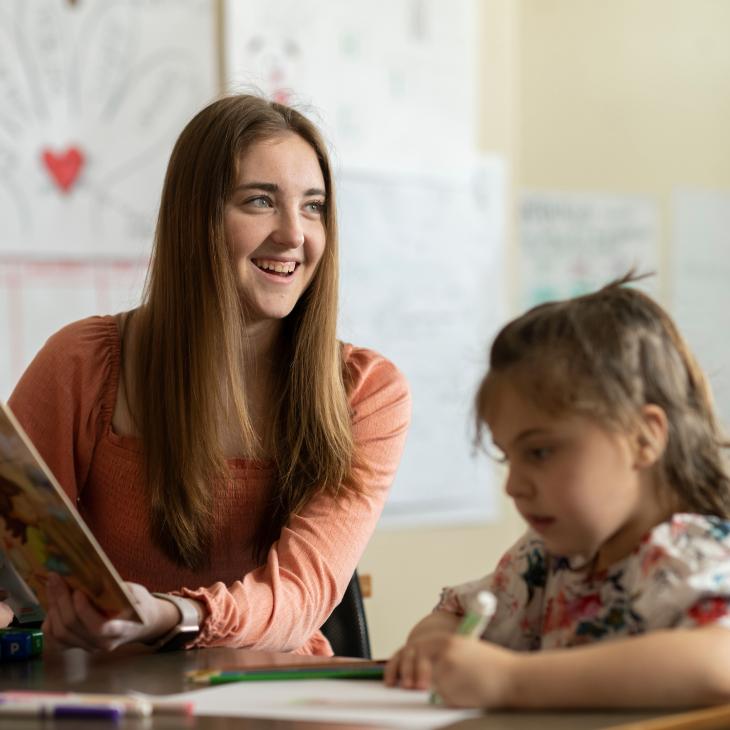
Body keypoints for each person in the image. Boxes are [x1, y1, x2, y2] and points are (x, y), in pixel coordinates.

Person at [3, 94, 411, 654]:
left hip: (274, 700)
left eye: (313, 206)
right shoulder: (83, 362)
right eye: (260, 201)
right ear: (196, 218)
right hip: (104, 695)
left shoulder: (367, 392)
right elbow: (11, 548)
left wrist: (177, 614)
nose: (294, 233)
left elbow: (299, 594)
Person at [385, 275, 730, 708]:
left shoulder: (695, 553)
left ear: (643, 438)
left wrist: (511, 682)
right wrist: (433, 648)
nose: (513, 485)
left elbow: (718, 662)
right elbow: (456, 613)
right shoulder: (544, 560)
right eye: (508, 456)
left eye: (540, 451)